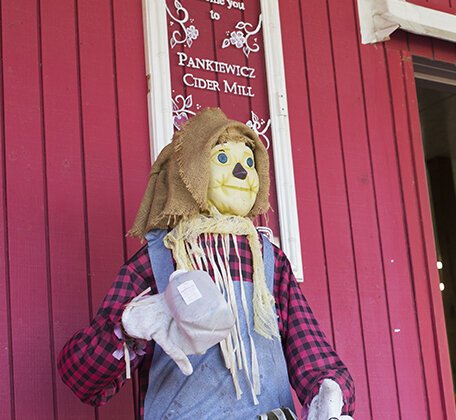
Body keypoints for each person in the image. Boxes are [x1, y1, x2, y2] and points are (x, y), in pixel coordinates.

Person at [57, 108, 354, 419]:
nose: (242, 172)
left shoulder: (269, 262)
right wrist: (126, 327)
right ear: (188, 175)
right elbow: (81, 378)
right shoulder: (157, 261)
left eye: (249, 162)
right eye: (223, 159)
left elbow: (314, 357)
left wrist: (329, 393)